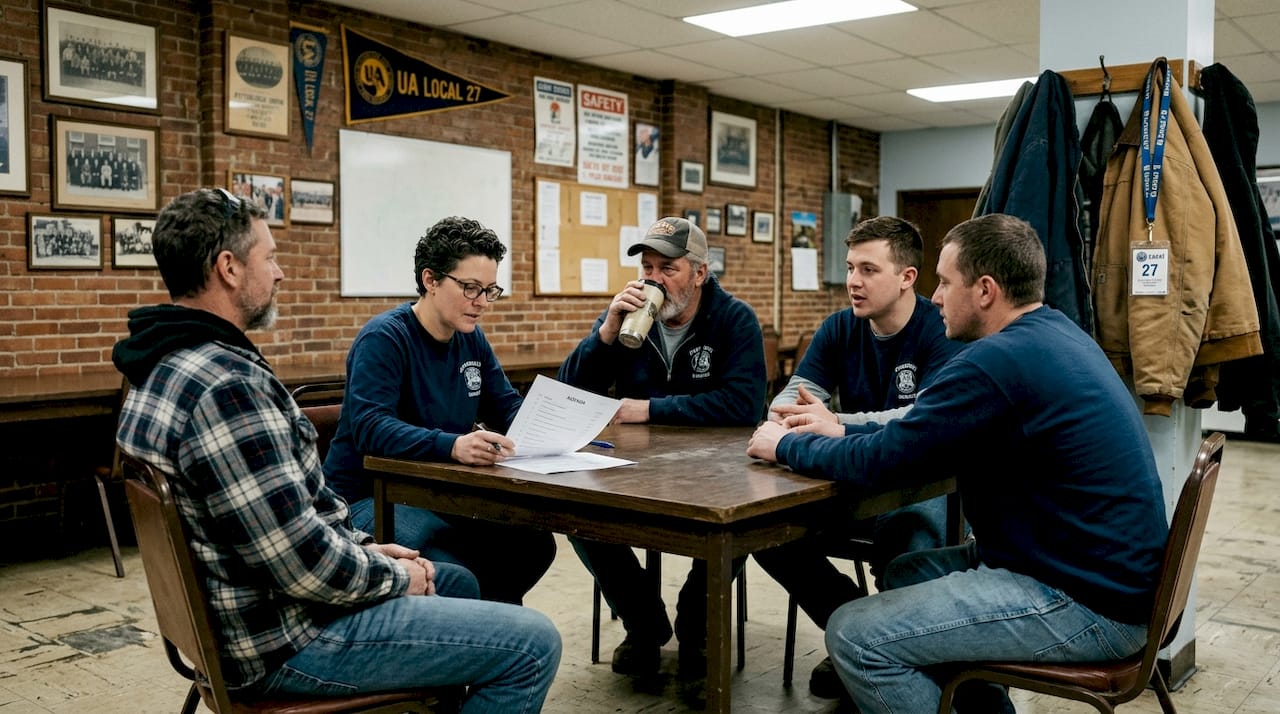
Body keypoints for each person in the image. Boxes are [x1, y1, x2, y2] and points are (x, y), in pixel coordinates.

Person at [112, 189, 561, 712]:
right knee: (532, 643)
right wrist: (395, 572)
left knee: (460, 576)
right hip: (285, 640)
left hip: (244, 619)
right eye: (271, 257)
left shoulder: (162, 365)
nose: (280, 273)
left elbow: (285, 529)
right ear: (229, 268)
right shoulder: (228, 388)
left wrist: (364, 548)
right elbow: (302, 567)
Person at [747, 214, 1168, 713]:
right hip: (1098, 576)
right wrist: (841, 429)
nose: (938, 297)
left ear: (985, 290)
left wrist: (785, 447)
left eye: (946, 283)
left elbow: (886, 460)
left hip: (1083, 602)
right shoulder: (1053, 333)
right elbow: (919, 433)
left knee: (854, 634)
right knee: (907, 573)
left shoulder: (993, 363)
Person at [753, 216, 963, 699]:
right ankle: (849, 631)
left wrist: (837, 423)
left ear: (907, 277)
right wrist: (798, 418)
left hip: (918, 484)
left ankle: (898, 654)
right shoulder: (839, 328)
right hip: (854, 477)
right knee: (768, 532)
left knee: (905, 531)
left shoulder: (942, 330)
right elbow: (790, 399)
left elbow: (920, 421)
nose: (853, 281)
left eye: (868, 269)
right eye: (850, 267)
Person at [558, 216, 767, 678]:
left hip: (719, 467)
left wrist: (649, 409)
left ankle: (697, 626)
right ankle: (644, 624)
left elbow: (744, 405)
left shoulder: (734, 320)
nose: (654, 279)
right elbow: (569, 390)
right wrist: (606, 332)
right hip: (638, 463)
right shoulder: (632, 316)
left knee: (736, 518)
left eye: (667, 268)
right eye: (647, 268)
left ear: (699, 272)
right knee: (577, 512)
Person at [324, 216, 556, 605]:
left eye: (489, 290)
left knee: (531, 543)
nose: (481, 302)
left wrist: (556, 431)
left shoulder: (471, 339)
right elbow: (370, 427)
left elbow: (506, 406)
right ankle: (480, 636)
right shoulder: (385, 338)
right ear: (430, 280)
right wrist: (453, 446)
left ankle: (492, 637)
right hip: (367, 497)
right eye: (469, 288)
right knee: (454, 568)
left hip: (437, 491)